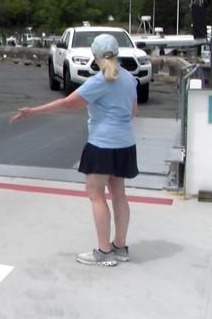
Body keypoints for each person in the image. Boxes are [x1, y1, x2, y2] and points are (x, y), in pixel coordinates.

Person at [10, 33, 138, 267]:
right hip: (125, 143)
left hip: (102, 145)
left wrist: (33, 112)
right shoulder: (130, 79)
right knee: (119, 194)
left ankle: (104, 252)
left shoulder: (99, 81)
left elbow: (68, 103)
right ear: (117, 54)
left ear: (95, 55)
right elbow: (132, 113)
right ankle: (120, 247)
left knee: (96, 195)